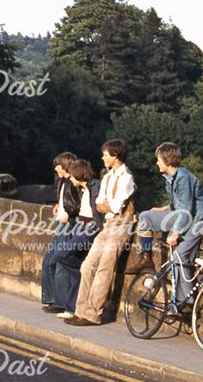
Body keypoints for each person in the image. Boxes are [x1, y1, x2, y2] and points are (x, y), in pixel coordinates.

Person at [125, 142, 203, 311]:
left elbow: (186, 210)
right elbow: (178, 205)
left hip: (196, 221)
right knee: (146, 216)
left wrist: (176, 233)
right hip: (181, 216)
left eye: (158, 159)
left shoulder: (183, 177)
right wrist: (164, 208)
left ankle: (185, 303)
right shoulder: (170, 178)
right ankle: (146, 257)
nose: (156, 163)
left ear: (167, 160)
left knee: (180, 257)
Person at [65, 140, 136, 326]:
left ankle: (93, 314)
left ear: (115, 155)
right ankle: (80, 311)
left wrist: (107, 206)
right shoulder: (107, 177)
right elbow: (100, 204)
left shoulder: (127, 178)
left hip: (121, 225)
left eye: (105, 154)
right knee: (87, 266)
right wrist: (107, 207)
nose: (103, 157)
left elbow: (114, 205)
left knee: (105, 268)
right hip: (109, 224)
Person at [53, 158, 102, 319]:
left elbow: (98, 212)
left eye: (73, 176)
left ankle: (80, 276)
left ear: (79, 175)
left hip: (90, 228)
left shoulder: (95, 187)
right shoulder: (83, 189)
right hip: (80, 225)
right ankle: (71, 308)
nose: (70, 178)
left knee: (61, 254)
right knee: (74, 266)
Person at [41, 152, 79, 314]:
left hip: (69, 225)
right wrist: (59, 204)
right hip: (61, 224)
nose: (55, 168)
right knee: (48, 261)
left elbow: (80, 204)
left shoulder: (75, 182)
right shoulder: (64, 182)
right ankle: (51, 298)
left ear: (65, 165)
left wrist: (68, 213)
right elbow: (67, 199)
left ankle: (61, 302)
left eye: (58, 165)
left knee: (61, 263)